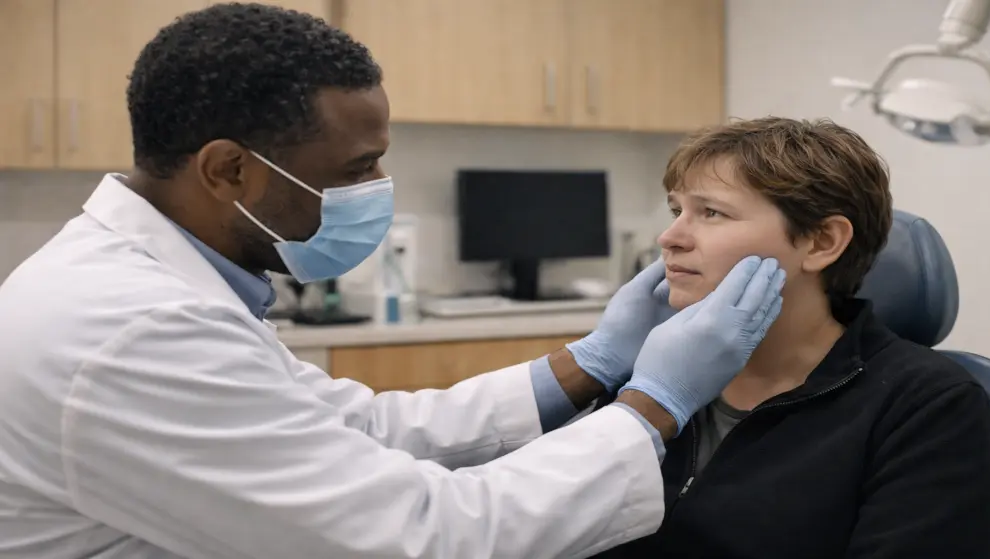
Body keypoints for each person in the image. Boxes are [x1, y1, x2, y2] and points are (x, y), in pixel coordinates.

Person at [0, 4, 787, 559]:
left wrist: (594, 361)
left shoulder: (167, 290)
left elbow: (362, 432)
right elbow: (430, 534)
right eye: (355, 169)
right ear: (228, 170)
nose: (379, 186)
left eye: (711, 212)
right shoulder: (129, 329)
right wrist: (653, 404)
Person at [590, 116, 990, 558]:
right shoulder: (647, 380)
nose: (669, 237)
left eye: (711, 212)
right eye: (678, 211)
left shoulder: (928, 407)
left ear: (822, 242)